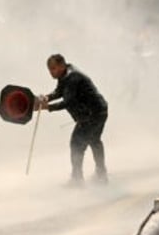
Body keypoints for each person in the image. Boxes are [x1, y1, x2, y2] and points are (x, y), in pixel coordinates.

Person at [36, 54, 108, 186]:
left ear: (62, 65)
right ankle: (101, 174)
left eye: (54, 68)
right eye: (50, 69)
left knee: (76, 144)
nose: (52, 72)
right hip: (98, 111)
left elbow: (68, 102)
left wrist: (48, 107)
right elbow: (60, 91)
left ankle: (77, 179)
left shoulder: (72, 77)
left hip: (92, 114)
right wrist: (47, 97)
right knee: (94, 140)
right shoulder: (65, 74)